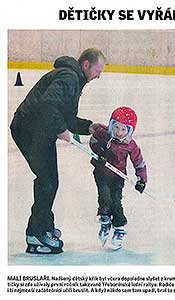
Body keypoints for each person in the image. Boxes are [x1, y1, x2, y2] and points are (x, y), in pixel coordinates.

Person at [10, 48, 106, 254]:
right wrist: (60, 129)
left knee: (50, 180)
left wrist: (88, 127)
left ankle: (42, 226)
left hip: (39, 130)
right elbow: (49, 105)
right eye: (98, 71)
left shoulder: (74, 79)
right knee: (47, 181)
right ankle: (36, 232)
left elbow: (66, 116)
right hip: (29, 130)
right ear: (86, 65)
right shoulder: (70, 77)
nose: (99, 76)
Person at [89, 106, 147, 250]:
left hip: (118, 177)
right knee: (104, 198)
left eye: (123, 129)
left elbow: (139, 162)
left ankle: (119, 229)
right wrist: (100, 153)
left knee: (116, 202)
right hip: (101, 173)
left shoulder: (130, 145)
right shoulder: (104, 135)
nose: (118, 132)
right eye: (115, 127)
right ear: (111, 125)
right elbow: (93, 142)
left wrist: (141, 179)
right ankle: (105, 221)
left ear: (130, 131)